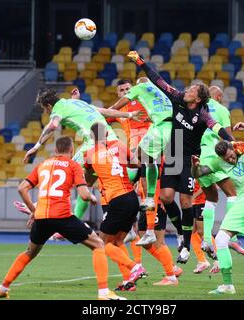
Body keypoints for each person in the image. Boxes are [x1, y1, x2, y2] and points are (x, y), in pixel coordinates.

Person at [126, 51, 234, 263]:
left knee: (185, 201)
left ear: (199, 97)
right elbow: (158, 81)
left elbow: (218, 127)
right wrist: (141, 62)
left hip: (190, 158)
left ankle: (185, 245)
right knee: (166, 198)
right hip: (172, 153)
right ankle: (182, 235)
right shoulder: (178, 98)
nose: (187, 90)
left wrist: (231, 141)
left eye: (192, 90)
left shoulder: (203, 114)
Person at [0, 136, 126, 300]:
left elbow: (22, 188)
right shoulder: (73, 165)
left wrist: (33, 211)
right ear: (71, 151)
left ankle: (2, 288)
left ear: (55, 150)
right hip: (63, 216)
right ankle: (104, 293)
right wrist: (92, 198)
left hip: (42, 217)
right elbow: (84, 195)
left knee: (29, 252)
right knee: (98, 244)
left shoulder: (43, 165)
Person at [24, 88, 143, 226]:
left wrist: (36, 146)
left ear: (49, 106)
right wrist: (130, 114)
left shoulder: (58, 109)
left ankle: (41, 204)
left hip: (94, 144)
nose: (46, 112)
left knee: (65, 169)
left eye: (45, 109)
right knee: (86, 184)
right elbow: (106, 112)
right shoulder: (78, 104)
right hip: (112, 141)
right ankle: (74, 223)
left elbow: (53, 125)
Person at [192, 122, 244, 294]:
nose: (231, 159)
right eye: (227, 159)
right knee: (221, 240)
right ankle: (228, 285)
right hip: (241, 201)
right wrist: (194, 166)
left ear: (232, 148)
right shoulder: (217, 163)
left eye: (231, 155)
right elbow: (198, 174)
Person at [107, 77, 174, 246]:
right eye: (122, 90)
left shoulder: (144, 105)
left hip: (152, 151)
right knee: (122, 186)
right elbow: (103, 119)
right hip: (133, 157)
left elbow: (160, 112)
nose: (125, 92)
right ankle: (130, 228)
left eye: (127, 89)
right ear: (118, 93)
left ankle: (153, 231)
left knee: (149, 190)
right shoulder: (120, 113)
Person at [84, 122, 147, 288]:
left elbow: (88, 179)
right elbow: (136, 164)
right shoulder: (119, 144)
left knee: (102, 244)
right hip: (132, 198)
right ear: (106, 135)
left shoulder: (90, 154)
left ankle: (135, 267)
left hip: (117, 200)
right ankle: (129, 281)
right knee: (118, 243)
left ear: (92, 137)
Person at [198, 86, 244, 257]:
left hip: (198, 157)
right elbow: (227, 136)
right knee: (232, 194)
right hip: (214, 155)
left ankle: (205, 239)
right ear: (218, 97)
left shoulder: (198, 108)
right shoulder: (221, 109)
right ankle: (230, 234)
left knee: (211, 199)